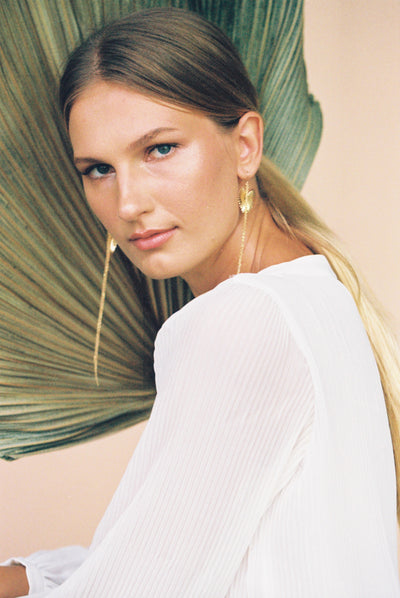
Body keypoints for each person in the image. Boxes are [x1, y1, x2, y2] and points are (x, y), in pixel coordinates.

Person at [1, 7, 400, 597]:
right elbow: (178, 552)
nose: (128, 203)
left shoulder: (244, 319)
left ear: (245, 145)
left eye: (160, 149)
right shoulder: (313, 286)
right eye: (98, 169)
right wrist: (31, 578)